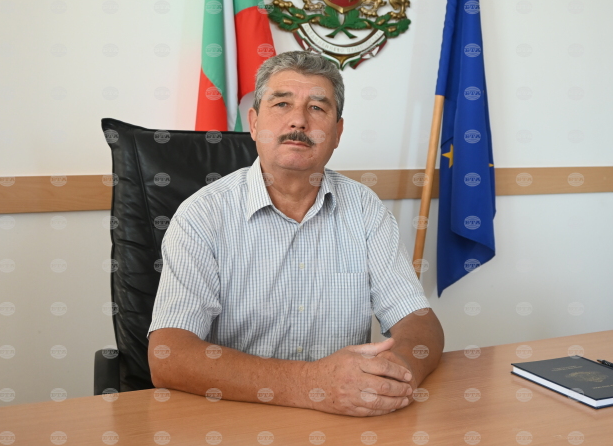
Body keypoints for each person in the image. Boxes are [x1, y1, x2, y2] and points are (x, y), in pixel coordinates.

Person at [147, 51, 444, 417]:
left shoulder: (365, 209)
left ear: (337, 133)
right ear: (254, 123)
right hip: (234, 419)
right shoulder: (202, 215)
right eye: (282, 103)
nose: (299, 120)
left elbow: (419, 324)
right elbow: (169, 356)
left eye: (317, 108)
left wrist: (394, 375)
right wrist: (311, 384)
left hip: (344, 420)